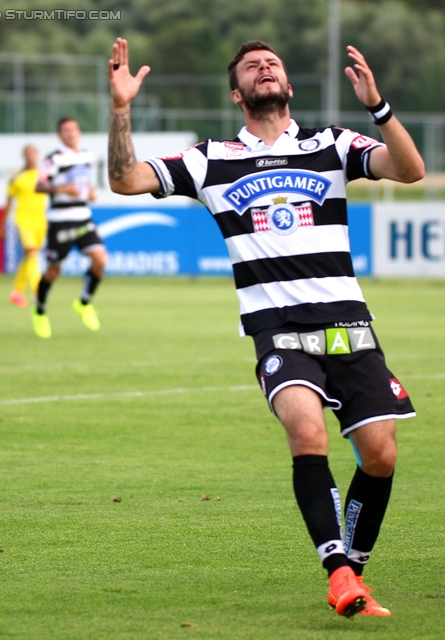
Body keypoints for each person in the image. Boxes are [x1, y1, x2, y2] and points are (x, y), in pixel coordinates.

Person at [107, 38, 425, 617]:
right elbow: (126, 181)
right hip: (277, 330)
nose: (265, 67)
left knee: (380, 456)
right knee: (308, 435)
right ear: (238, 93)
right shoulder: (210, 158)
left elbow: (409, 170)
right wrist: (121, 108)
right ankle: (339, 577)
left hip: (348, 325)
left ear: (288, 85)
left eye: (273, 62)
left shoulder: (331, 144)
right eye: (252, 67)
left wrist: (378, 107)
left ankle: (353, 564)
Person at [33, 117, 107, 338]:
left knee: (100, 260)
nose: (71, 133)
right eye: (66, 130)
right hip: (60, 221)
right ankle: (39, 311)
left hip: (83, 218)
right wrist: (64, 188)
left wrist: (91, 192)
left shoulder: (87, 156)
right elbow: (39, 185)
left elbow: (84, 185)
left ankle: (83, 303)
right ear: (60, 135)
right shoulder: (54, 159)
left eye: (74, 129)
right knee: (54, 270)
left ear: (79, 132)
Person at [0, 145, 48, 308]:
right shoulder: (16, 176)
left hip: (40, 221)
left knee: (29, 258)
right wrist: (2, 225)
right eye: (27, 153)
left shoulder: (43, 175)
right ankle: (37, 292)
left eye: (33, 152)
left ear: (37, 155)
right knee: (32, 254)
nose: (30, 156)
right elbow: (8, 201)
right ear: (23, 156)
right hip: (23, 221)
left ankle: (16, 292)